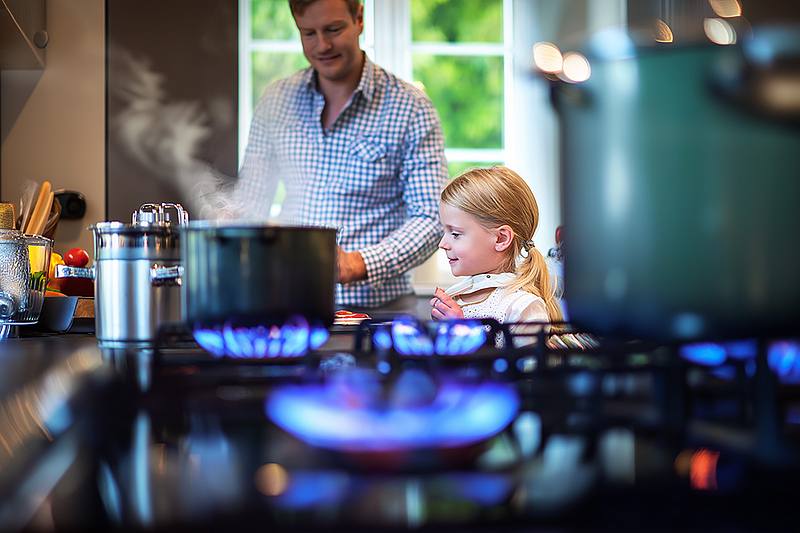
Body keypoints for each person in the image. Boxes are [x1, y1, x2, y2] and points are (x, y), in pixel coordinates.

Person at [235, 0, 447, 309]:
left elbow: (430, 218)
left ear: (359, 18)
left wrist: (356, 263)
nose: (322, 45)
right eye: (308, 33)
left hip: (378, 313)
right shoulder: (276, 101)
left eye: (333, 29)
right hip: (288, 305)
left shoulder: (411, 109)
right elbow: (251, 201)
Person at [430, 166, 563, 329]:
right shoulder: (456, 299)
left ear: (501, 238)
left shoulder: (522, 307)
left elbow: (526, 356)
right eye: (445, 231)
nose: (442, 244)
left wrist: (464, 330)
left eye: (456, 234)